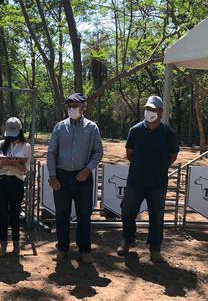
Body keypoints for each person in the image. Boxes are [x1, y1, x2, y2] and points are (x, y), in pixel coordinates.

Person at [116, 95, 179, 263]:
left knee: (157, 217)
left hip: (158, 184)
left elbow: (173, 155)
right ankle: (127, 241)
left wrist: (159, 167)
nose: (149, 112)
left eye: (153, 109)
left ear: (160, 112)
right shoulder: (135, 130)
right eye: (147, 109)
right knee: (127, 212)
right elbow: (130, 153)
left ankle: (155, 249)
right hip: (135, 182)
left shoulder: (168, 133)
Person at [47, 93, 103, 264]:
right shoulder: (59, 127)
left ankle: (84, 250)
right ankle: (63, 248)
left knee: (84, 215)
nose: (72, 109)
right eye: (69, 106)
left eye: (75, 106)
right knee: (61, 215)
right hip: (62, 177)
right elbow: (51, 152)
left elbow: (98, 152)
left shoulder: (92, 127)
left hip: (83, 178)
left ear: (82, 107)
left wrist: (87, 169)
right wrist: (52, 175)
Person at [0, 117, 32, 256]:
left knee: (15, 214)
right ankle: (3, 244)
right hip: (1, 181)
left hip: (16, 182)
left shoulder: (26, 147)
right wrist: (4, 162)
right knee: (3, 214)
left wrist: (15, 162)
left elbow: (24, 170)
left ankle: (16, 244)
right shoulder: (0, 144)